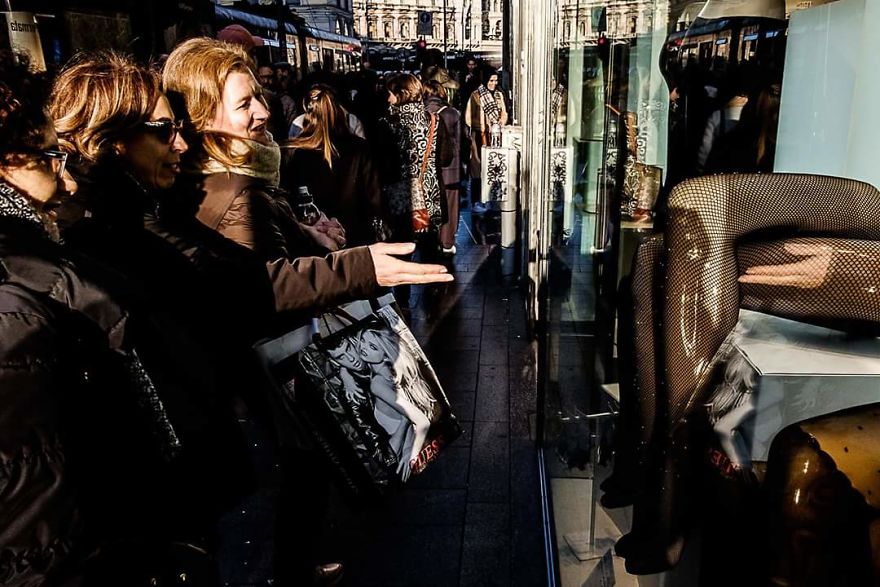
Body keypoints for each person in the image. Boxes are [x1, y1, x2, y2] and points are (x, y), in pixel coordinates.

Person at [0, 51, 193, 584]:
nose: (66, 182)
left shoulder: (36, 262)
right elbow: (31, 506)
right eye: (48, 157)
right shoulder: (18, 294)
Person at [283, 83, 382, 246]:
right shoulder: (360, 148)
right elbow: (374, 196)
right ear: (339, 110)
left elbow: (288, 197)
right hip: (356, 235)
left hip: (313, 235)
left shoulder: (294, 151)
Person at [377, 73, 451, 249]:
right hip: (430, 199)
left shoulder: (385, 123)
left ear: (401, 94)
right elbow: (446, 158)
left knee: (401, 253)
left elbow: (381, 165)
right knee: (430, 253)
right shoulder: (435, 120)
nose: (388, 99)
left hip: (397, 201)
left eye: (390, 94)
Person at [358, 327, 434, 482]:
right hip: (411, 446)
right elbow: (406, 419)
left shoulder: (377, 384)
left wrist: (411, 455)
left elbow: (422, 421)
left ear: (385, 355)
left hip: (403, 456)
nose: (363, 348)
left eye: (372, 347)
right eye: (362, 340)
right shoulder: (392, 374)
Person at [424, 79, 462, 255]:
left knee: (429, 204)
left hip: (427, 170)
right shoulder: (453, 114)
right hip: (451, 172)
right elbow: (462, 143)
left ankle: (430, 241)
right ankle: (447, 242)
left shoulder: (421, 114)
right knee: (450, 205)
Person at [464, 69, 508, 211]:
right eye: (491, 80)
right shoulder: (476, 95)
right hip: (479, 135)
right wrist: (481, 126)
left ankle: (492, 198)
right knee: (478, 168)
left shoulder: (499, 95)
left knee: (494, 167)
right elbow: (468, 117)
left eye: (496, 80)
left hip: (496, 134)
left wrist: (500, 123)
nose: (494, 83)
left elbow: (504, 113)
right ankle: (476, 200)